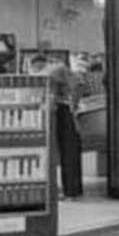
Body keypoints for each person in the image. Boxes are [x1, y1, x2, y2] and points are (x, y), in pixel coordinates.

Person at [47, 57, 84, 199]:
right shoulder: (69, 78)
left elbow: (52, 98)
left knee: (67, 154)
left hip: (64, 115)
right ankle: (74, 189)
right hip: (70, 116)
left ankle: (70, 191)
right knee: (71, 154)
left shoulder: (53, 74)